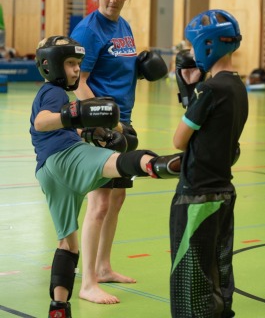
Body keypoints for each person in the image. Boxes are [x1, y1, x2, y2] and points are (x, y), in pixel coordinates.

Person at [30, 35, 181, 318]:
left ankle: (59, 307)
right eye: (71, 63)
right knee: (118, 162)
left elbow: (57, 127)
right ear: (52, 66)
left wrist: (88, 131)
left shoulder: (52, 93)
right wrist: (75, 111)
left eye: (78, 64)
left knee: (67, 244)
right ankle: (164, 164)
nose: (76, 70)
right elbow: (42, 122)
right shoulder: (55, 93)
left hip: (49, 173)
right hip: (66, 158)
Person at [70, 0, 168, 304]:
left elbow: (117, 69)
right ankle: (88, 283)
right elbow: (79, 83)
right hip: (102, 127)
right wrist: (104, 121)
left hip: (123, 122)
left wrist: (139, 70)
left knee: (117, 198)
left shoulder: (122, 25)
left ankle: (105, 266)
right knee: (99, 203)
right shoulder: (88, 30)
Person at [170, 9, 249, 318]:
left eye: (192, 46)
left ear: (207, 46)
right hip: (223, 192)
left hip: (196, 194)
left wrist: (190, 91)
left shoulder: (210, 89)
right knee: (218, 272)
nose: (189, 53)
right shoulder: (237, 86)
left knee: (192, 282)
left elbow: (179, 139)